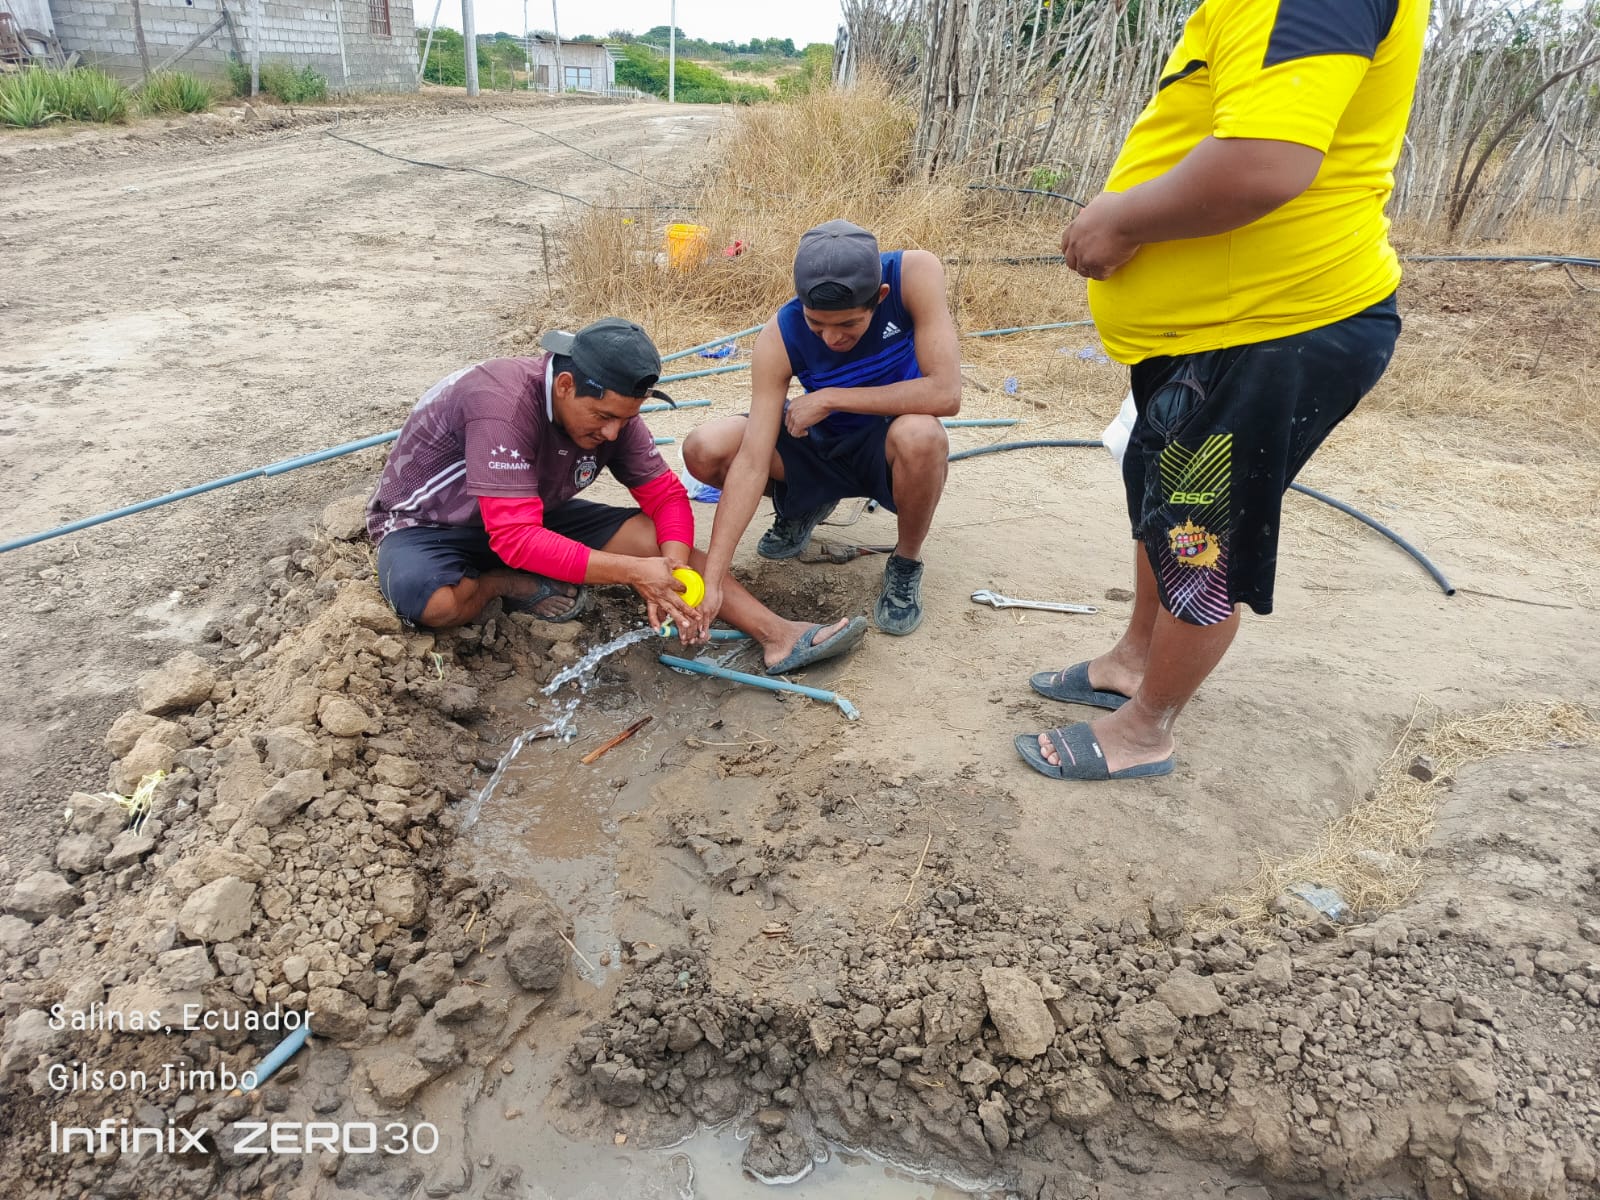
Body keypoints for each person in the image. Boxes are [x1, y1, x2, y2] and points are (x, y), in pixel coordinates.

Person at [1017, 0, 1426, 781]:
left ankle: (1146, 729)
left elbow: (1264, 162)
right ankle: (1136, 660)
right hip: (1210, 334)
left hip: (1274, 327)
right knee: (1161, 499)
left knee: (1198, 535)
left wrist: (1121, 222)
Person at [366, 317, 867, 676]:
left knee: (651, 539)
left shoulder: (615, 416)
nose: (611, 433)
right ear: (565, 385)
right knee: (434, 603)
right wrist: (632, 573)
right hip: (431, 526)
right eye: (603, 417)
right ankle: (503, 583)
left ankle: (779, 635)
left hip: (531, 514)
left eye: (625, 419)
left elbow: (666, 497)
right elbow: (514, 538)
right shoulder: (500, 403)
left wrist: (672, 573)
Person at [683, 220, 962, 637]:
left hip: (887, 443)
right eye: (817, 324)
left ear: (880, 297)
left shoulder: (914, 275)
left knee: (922, 436)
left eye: (848, 325)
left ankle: (905, 561)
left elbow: (945, 393)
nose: (831, 338)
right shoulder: (779, 335)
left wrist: (830, 397)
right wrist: (715, 578)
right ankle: (805, 503)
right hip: (820, 443)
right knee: (705, 447)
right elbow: (753, 460)